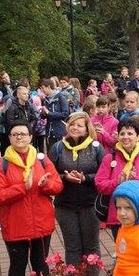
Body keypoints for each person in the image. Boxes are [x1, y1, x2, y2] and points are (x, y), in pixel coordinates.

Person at [0, 122, 64, 276]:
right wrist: (23, 187)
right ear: (9, 138)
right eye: (15, 134)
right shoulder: (1, 164)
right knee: (18, 265)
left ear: (31, 137)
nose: (19, 138)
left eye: (23, 134)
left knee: (41, 264)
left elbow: (58, 185)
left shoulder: (41, 160)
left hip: (41, 222)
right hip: (15, 224)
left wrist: (45, 185)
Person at [49, 112, 104, 267]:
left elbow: (103, 174)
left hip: (90, 204)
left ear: (87, 130)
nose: (75, 128)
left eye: (79, 125)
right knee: (72, 246)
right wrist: (64, 177)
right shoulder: (57, 147)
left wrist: (86, 178)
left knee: (91, 246)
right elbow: (49, 174)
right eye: (72, 124)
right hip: (65, 205)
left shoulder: (96, 148)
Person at [95, 119, 139, 240]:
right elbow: (100, 184)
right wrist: (117, 182)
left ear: (138, 136)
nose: (126, 137)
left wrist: (136, 180)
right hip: (118, 216)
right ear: (118, 136)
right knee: (123, 251)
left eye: (130, 134)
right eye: (122, 133)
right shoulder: (109, 158)